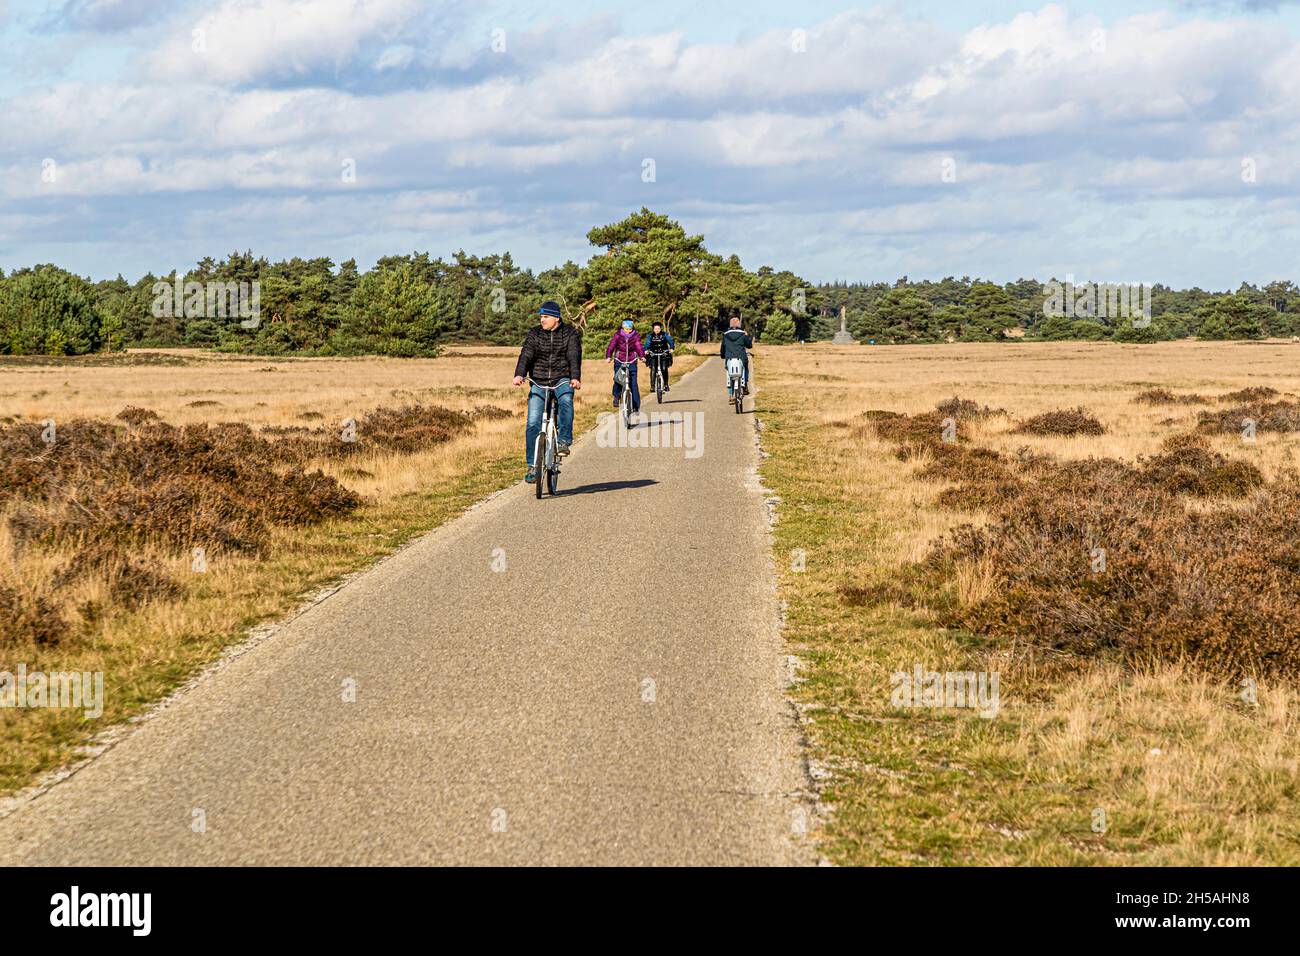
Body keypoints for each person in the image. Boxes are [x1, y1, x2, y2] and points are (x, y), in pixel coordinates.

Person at [513, 300, 581, 484]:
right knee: (533, 422)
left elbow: (574, 356)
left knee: (566, 400)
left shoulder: (570, 334)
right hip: (539, 380)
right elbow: (526, 354)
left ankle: (564, 441)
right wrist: (520, 374)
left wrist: (575, 377)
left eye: (546, 317)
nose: (542, 320)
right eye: (541, 317)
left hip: (562, 378)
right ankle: (532, 466)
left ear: (556, 318)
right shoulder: (534, 333)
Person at [605, 318, 644, 414]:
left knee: (633, 384)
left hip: (632, 360)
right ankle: (616, 396)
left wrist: (642, 356)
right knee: (619, 380)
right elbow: (611, 345)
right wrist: (609, 356)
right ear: (623, 327)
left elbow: (638, 345)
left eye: (630, 329)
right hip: (620, 360)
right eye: (626, 328)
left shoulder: (635, 336)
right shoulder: (618, 335)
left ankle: (635, 406)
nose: (628, 330)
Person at [719, 314, 753, 397]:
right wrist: (747, 336)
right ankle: (744, 384)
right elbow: (749, 345)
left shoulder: (725, 335)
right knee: (745, 368)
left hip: (729, 358)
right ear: (739, 325)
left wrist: (723, 355)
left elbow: (723, 348)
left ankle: (730, 395)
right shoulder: (742, 334)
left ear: (730, 325)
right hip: (741, 358)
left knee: (730, 374)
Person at [643, 320, 675, 392]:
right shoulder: (650, 336)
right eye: (655, 329)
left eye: (658, 328)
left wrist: (672, 348)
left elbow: (670, 341)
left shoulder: (665, 334)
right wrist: (646, 350)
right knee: (653, 368)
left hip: (664, 354)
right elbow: (647, 344)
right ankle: (653, 386)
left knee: (664, 368)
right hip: (653, 354)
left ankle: (666, 385)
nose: (656, 330)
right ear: (653, 329)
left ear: (660, 329)